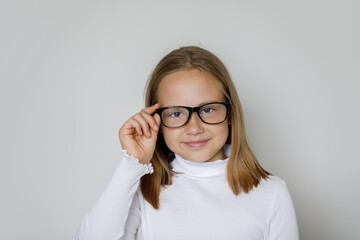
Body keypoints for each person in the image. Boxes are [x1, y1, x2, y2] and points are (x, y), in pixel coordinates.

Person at [74, 46, 299, 240]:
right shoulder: (143, 190)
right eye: (175, 113)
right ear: (156, 122)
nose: (194, 128)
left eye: (208, 109)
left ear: (230, 113)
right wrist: (132, 162)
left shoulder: (271, 193)